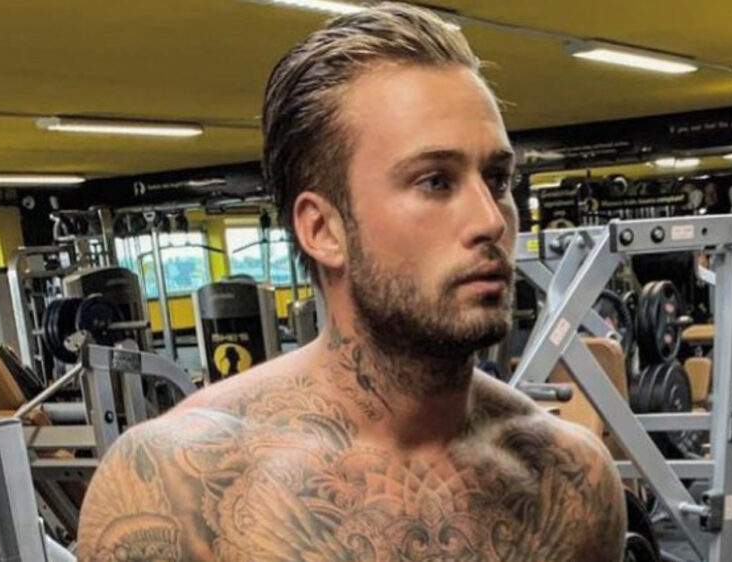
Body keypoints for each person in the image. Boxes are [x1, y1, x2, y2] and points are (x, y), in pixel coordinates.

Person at [77, 3, 625, 561]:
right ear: (323, 229)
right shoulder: (177, 484)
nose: (490, 220)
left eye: (498, 179)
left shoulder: (570, 480)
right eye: (435, 182)